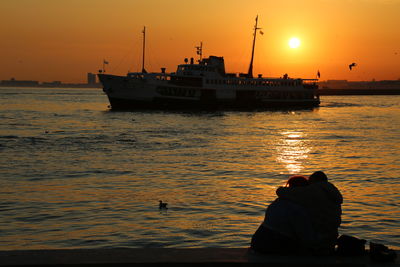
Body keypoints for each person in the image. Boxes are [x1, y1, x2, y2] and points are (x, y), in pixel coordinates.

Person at [276, 171, 343, 255]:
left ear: (314, 180)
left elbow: (281, 192)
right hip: (331, 237)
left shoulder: (313, 190)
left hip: (317, 238)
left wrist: (282, 188)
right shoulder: (332, 191)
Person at [250, 175, 317, 254]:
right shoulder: (297, 208)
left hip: (258, 241)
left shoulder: (278, 201)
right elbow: (306, 236)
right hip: (272, 244)